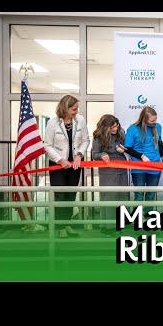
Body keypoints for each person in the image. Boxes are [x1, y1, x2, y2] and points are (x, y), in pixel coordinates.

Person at [44, 95, 90, 238]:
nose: (76, 111)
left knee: (71, 195)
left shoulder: (80, 120)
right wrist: (60, 159)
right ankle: (60, 227)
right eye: (74, 109)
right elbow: (47, 145)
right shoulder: (53, 123)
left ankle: (67, 224)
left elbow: (86, 140)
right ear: (65, 108)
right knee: (60, 196)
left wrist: (79, 154)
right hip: (58, 165)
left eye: (77, 108)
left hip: (75, 164)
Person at [91, 114, 129, 237]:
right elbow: (94, 154)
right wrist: (102, 154)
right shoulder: (98, 137)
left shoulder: (121, 133)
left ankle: (119, 225)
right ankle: (106, 226)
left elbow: (126, 146)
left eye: (116, 126)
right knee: (109, 197)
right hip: (107, 171)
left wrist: (122, 149)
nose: (115, 129)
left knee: (122, 197)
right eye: (112, 127)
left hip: (122, 169)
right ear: (105, 127)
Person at [124, 106, 163, 215]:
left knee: (151, 195)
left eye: (155, 120)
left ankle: (149, 219)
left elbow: (159, 143)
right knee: (139, 195)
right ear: (144, 119)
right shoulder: (133, 129)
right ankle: (138, 218)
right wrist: (141, 156)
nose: (154, 122)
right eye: (152, 120)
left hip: (154, 166)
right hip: (139, 167)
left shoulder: (158, 127)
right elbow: (127, 148)